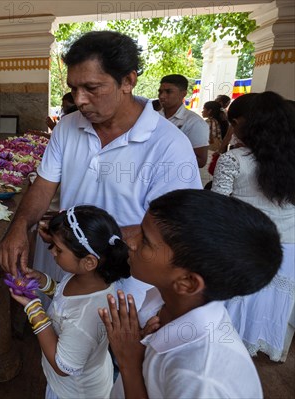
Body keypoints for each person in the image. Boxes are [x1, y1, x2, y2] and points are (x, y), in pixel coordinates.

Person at [0, 31, 201, 310]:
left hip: (126, 287)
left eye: (92, 88)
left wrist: (87, 237)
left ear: (128, 81)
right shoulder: (67, 128)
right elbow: (44, 186)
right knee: (63, 337)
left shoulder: (168, 145)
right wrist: (20, 227)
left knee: (110, 349)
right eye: (73, 88)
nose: (79, 100)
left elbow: (175, 225)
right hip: (68, 277)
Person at [99, 189, 282, 398]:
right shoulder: (162, 302)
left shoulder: (201, 378)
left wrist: (129, 363)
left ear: (187, 282)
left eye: (145, 241)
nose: (130, 242)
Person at [9, 205, 130, 399]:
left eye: (59, 249)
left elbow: (62, 366)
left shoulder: (86, 319)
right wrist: (44, 281)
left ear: (89, 262)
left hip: (74, 392)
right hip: (91, 373)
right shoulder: (88, 279)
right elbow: (63, 298)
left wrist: (34, 310)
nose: (52, 252)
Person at [212, 91, 295, 362]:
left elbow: (217, 207)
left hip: (248, 242)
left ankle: (228, 351)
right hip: (289, 245)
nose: (233, 131)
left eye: (234, 125)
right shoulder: (289, 159)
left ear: (247, 124)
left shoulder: (234, 160)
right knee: (269, 299)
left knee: (240, 298)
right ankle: (258, 344)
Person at [158, 74, 209, 168]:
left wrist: (167, 153)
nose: (162, 96)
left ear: (183, 94)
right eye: (160, 92)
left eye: (168, 92)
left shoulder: (195, 123)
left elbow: (200, 161)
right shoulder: (153, 117)